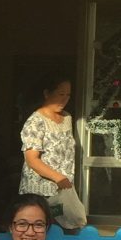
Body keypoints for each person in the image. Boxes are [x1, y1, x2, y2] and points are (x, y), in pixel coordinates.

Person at [19, 73, 85, 229]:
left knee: (65, 232)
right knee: (40, 231)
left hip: (63, 191)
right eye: (60, 94)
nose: (65, 99)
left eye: (68, 95)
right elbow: (32, 159)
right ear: (47, 93)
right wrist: (59, 178)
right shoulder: (35, 121)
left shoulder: (67, 118)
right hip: (40, 192)